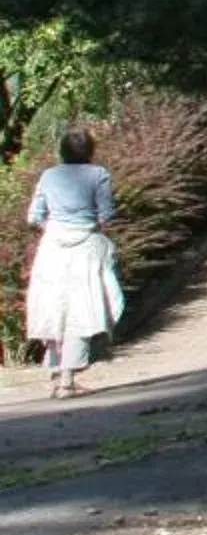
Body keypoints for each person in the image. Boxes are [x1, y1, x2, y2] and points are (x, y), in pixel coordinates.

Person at [24, 127, 122, 400]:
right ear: (90, 151)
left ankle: (57, 374)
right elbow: (107, 215)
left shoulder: (48, 176)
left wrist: (54, 228)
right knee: (82, 309)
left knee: (54, 307)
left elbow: (34, 216)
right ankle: (67, 379)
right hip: (85, 247)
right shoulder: (99, 175)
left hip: (53, 247)